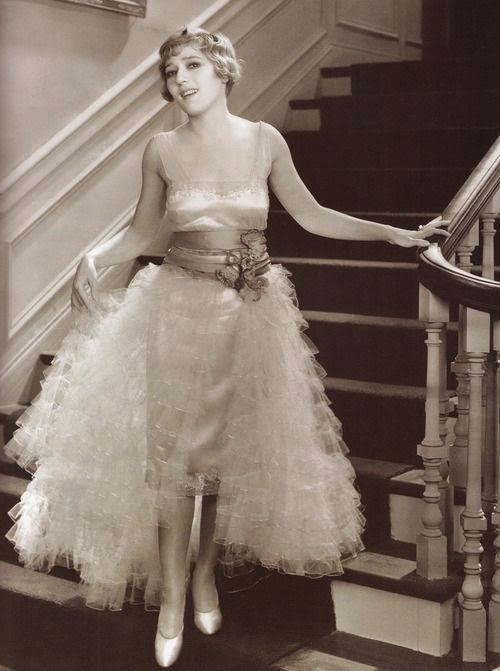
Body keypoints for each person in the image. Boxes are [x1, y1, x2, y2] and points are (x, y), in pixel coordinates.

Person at [5, 27, 448, 668]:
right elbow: (143, 231)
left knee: (219, 462)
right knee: (175, 464)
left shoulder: (264, 140)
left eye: (191, 65)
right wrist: (93, 256)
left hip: (249, 314)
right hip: (177, 312)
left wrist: (393, 235)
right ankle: (173, 599)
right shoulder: (161, 149)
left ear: (221, 70)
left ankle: (205, 576)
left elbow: (313, 215)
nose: (180, 80)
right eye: (171, 71)